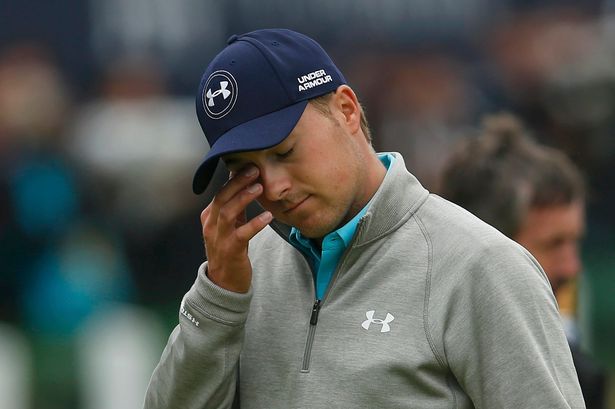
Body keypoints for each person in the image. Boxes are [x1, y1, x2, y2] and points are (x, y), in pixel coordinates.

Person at [143, 29, 585, 408]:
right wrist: (218, 296)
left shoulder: (481, 265)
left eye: (285, 151)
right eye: (245, 170)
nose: (272, 187)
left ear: (347, 110)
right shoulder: (238, 277)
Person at [439, 113, 606, 408]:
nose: (572, 267)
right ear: (483, 242)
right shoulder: (412, 362)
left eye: (574, 242)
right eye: (553, 244)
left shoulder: (581, 378)